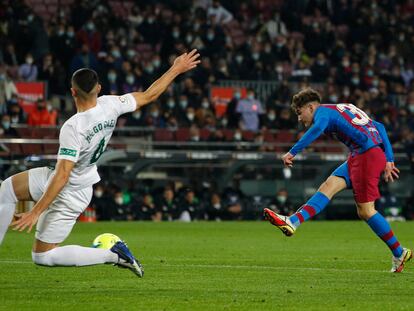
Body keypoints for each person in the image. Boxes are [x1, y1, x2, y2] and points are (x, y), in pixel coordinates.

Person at [0, 49, 200, 277]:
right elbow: (149, 95)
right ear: (98, 88)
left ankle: (113, 255)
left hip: (71, 190)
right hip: (67, 179)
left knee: (43, 257)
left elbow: (63, 175)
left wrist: (35, 212)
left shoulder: (73, 127)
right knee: (7, 189)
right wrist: (176, 68)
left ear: (73, 92)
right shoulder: (110, 105)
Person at [263, 88, 412, 273]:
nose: (299, 119)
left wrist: (292, 152)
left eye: (299, 113)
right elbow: (379, 126)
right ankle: (293, 221)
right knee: (329, 186)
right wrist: (389, 157)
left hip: (367, 155)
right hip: (361, 154)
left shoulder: (323, 113)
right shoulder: (339, 108)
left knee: (366, 211)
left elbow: (317, 128)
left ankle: (399, 252)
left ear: (310, 107)